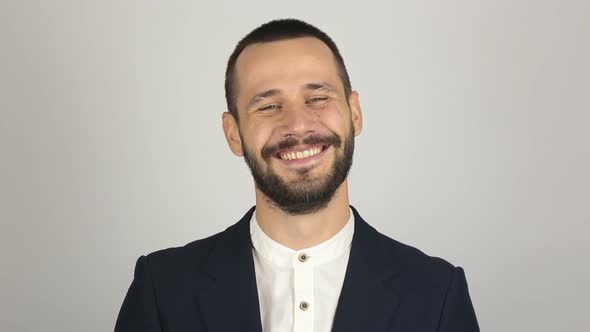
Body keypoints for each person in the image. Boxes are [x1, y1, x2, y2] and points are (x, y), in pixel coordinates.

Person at [114, 18, 479, 332]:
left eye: (318, 98)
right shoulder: (162, 289)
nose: (298, 124)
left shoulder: (437, 293)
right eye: (269, 106)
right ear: (234, 133)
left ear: (355, 114)